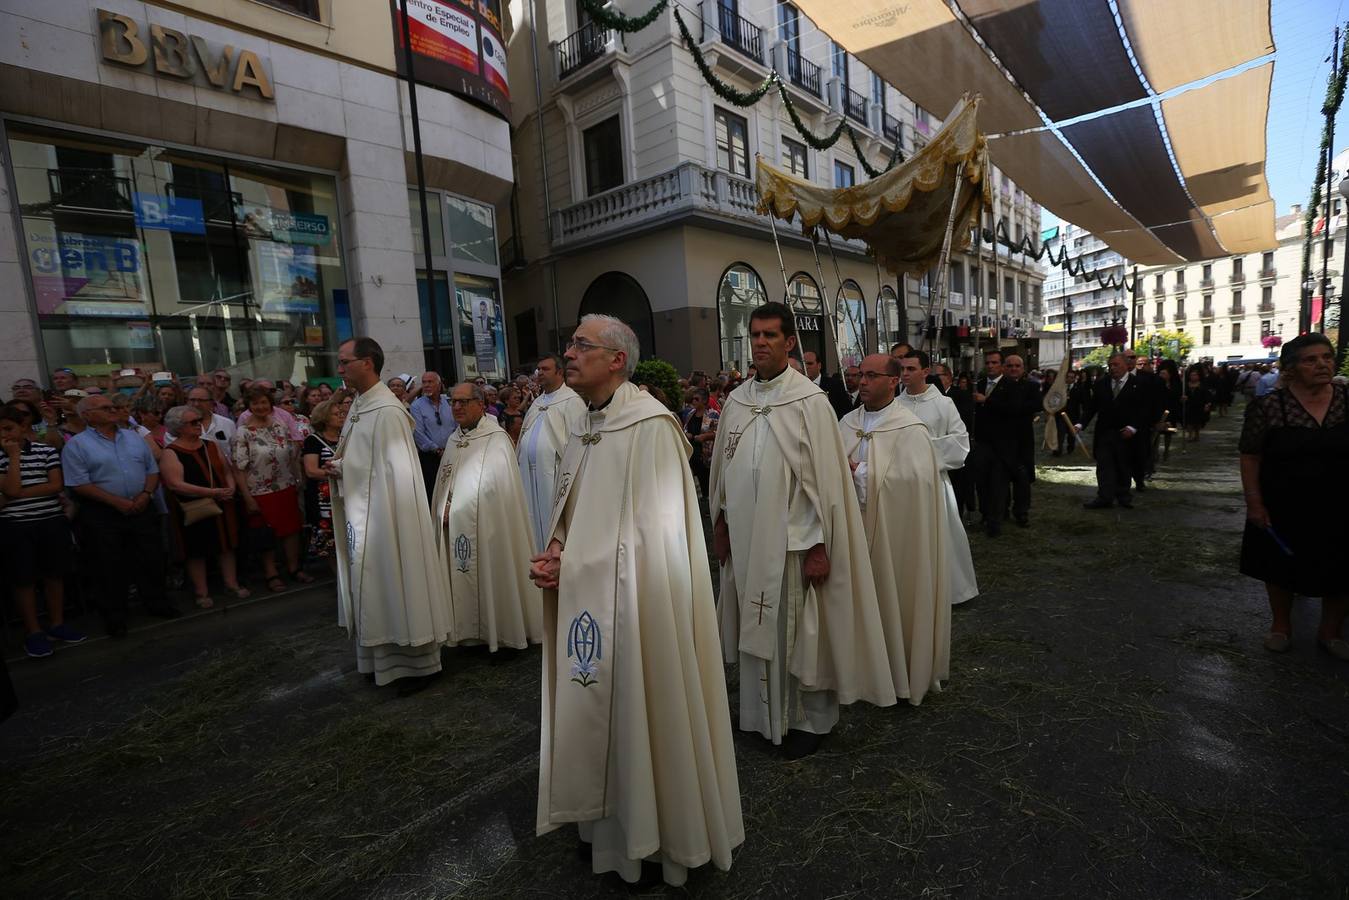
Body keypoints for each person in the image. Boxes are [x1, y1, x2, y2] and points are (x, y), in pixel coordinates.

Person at [529, 314, 742, 887]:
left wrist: (571, 565)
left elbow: (654, 535)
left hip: (641, 608)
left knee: (643, 709)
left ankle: (657, 838)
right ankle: (607, 830)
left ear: (616, 359)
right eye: (569, 341)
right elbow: (570, 504)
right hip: (588, 598)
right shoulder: (583, 423)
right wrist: (555, 546)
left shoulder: (650, 427)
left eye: (580, 344)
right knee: (596, 706)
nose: (568, 352)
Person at [710, 302, 897, 758]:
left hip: (794, 544)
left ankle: (807, 722)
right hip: (749, 537)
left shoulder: (810, 403)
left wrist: (819, 545)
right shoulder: (737, 401)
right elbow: (721, 469)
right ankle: (759, 717)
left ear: (790, 342)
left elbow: (825, 487)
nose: (760, 343)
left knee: (797, 633)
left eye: (770, 335)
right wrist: (720, 522)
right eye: (754, 335)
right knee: (755, 628)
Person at [330, 337, 451, 695]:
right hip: (366, 512)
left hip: (389, 518)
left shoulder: (388, 411)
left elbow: (395, 472)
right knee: (373, 586)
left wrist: (344, 469)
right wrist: (342, 466)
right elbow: (362, 458)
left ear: (367, 363)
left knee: (397, 581)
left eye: (344, 362)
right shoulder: (361, 405)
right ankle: (377, 660)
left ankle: (417, 665)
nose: (339, 369)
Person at [840, 356, 952, 704]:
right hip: (850, 531)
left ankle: (897, 673)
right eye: (860, 375)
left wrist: (859, 473)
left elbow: (916, 483)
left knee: (894, 597)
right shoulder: (845, 422)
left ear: (893, 381)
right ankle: (854, 674)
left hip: (894, 535)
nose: (862, 382)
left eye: (872, 376)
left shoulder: (910, 427)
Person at [1239, 334, 1347, 659]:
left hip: (1341, 503)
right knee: (1280, 568)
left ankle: (1330, 632)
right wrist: (1254, 502)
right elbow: (1250, 456)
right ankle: (1281, 627)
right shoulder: (1269, 407)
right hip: (1286, 503)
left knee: (1342, 569)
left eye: (1326, 357)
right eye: (1310, 359)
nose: (1322, 364)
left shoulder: (1347, 400)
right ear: (1290, 369)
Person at [430, 383, 541, 653]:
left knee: (494, 573)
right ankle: (465, 631)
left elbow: (498, 491)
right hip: (454, 524)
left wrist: (455, 510)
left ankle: (501, 633)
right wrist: (443, 506)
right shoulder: (454, 439)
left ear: (480, 405)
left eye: (463, 401)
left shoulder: (496, 439)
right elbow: (445, 483)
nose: (456, 407)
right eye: (453, 401)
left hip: (490, 528)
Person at [62, 394, 178, 636]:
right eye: (105, 408)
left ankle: (156, 602)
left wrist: (146, 494)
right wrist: (117, 502)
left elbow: (151, 468)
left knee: (150, 557)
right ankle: (115, 615)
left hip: (142, 506)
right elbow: (79, 483)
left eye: (113, 406)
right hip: (102, 512)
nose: (113, 410)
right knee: (108, 564)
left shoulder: (133, 437)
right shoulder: (77, 445)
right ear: (87, 416)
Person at [0, 405, 84, 657]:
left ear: (24, 427)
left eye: (9, 429)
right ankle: (34, 630)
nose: (4, 435)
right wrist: (13, 457)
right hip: (15, 525)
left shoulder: (45, 451)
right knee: (24, 579)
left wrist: (15, 493)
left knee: (53, 574)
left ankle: (57, 623)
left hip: (49, 520)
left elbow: (55, 484)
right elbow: (11, 487)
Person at [896, 351, 979, 604]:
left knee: (941, 535)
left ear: (925, 371)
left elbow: (960, 441)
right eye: (902, 369)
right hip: (901, 482)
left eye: (911, 369)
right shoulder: (895, 404)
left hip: (933, 480)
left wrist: (920, 450)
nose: (905, 374)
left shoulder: (943, 404)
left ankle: (951, 590)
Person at [160, 405, 247, 609]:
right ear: (178, 427)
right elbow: (175, 484)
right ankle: (201, 592)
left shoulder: (211, 445)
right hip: (194, 507)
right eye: (193, 422)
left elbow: (226, 470)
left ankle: (231, 584)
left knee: (226, 545)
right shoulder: (171, 453)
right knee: (195, 550)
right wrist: (212, 492)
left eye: (199, 420)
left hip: (222, 502)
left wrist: (230, 488)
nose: (199, 425)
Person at [231, 387, 308, 593]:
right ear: (249, 406)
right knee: (266, 534)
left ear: (270, 404)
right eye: (255, 403)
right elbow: (238, 469)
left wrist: (297, 479)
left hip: (286, 485)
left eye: (264, 402)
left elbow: (291, 455)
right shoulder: (243, 432)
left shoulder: (280, 426)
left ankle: (294, 568)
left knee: (291, 529)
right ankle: (271, 573)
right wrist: (248, 498)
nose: (260, 407)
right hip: (259, 491)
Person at [517, 354, 586, 552]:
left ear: (560, 372)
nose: (540, 373)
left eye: (545, 369)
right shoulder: (537, 403)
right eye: (538, 369)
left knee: (552, 519)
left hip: (555, 474)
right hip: (528, 477)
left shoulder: (572, 401)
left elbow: (577, 443)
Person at [971, 350, 1038, 536]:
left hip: (1007, 444)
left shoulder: (1013, 386)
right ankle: (985, 514)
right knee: (982, 482)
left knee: (999, 484)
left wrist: (987, 401)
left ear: (1000, 365)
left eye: (994, 363)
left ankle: (997, 521)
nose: (991, 366)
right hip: (983, 442)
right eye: (988, 363)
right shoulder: (979, 384)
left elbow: (1014, 409)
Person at [1077, 352, 1150, 510]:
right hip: (1105, 432)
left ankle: (1123, 496)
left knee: (1124, 465)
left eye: (1116, 365)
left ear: (1126, 365)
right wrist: (1081, 424)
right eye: (1110, 365)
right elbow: (1092, 408)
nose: (1112, 368)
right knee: (1104, 465)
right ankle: (1104, 497)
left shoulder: (1138, 384)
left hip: (1126, 434)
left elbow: (1144, 410)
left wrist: (1133, 427)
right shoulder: (1101, 384)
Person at [302, 394, 350, 575]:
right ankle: (339, 576)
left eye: (341, 413)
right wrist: (333, 473)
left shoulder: (345, 437)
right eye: (336, 414)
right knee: (330, 537)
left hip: (346, 493)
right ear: (324, 418)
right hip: (324, 497)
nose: (341, 416)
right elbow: (311, 470)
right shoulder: (313, 441)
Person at [410, 372, 454, 496]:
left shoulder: (449, 403)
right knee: (434, 492)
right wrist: (437, 450)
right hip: (430, 457)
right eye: (424, 382)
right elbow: (418, 433)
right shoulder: (416, 406)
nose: (426, 385)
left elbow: (456, 427)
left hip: (452, 452)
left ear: (439, 385)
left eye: (430, 382)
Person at [681, 386, 718, 499]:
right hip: (693, 454)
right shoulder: (690, 414)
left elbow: (720, 433)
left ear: (704, 400)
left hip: (708, 456)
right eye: (692, 399)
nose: (693, 401)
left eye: (696, 399)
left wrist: (705, 436)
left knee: (708, 483)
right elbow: (685, 428)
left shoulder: (713, 415)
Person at [803, 350, 853, 419]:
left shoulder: (836, 385)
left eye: (809, 363)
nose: (806, 367)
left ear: (819, 365)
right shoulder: (797, 386)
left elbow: (847, 411)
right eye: (803, 364)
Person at [186, 386, 236, 455]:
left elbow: (236, 452)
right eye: (192, 400)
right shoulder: (179, 426)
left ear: (211, 402)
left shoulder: (228, 424)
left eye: (201, 400)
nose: (196, 404)